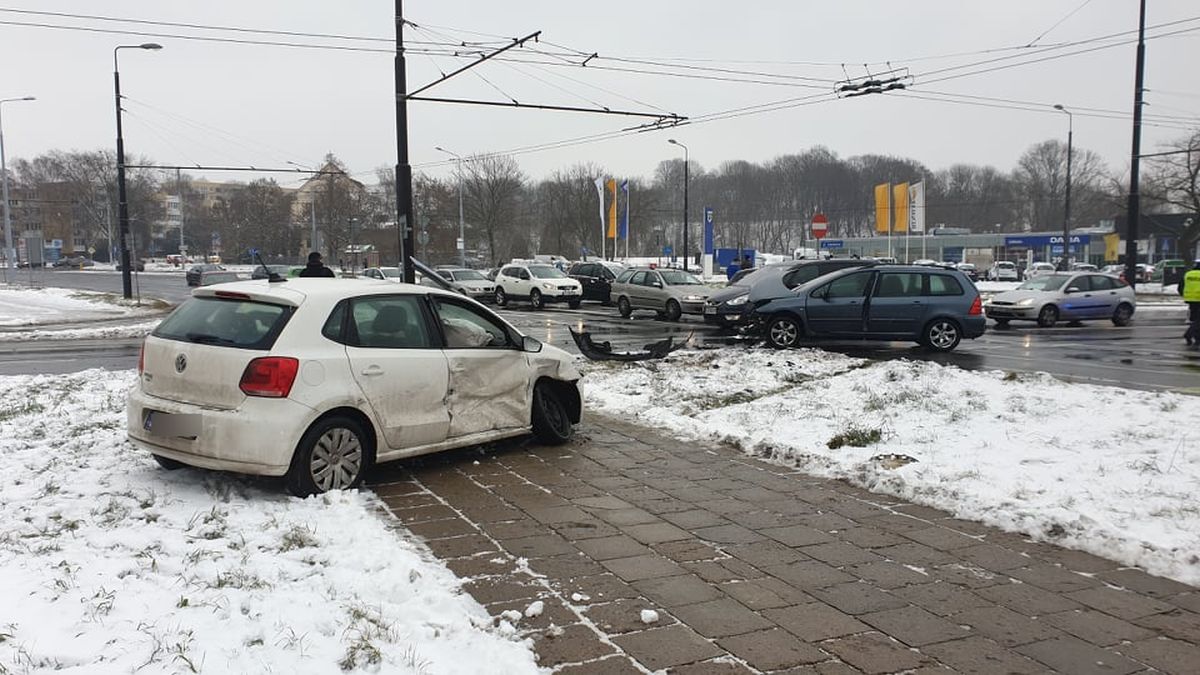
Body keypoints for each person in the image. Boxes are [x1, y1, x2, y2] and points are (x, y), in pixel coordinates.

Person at [1180, 259, 1200, 346]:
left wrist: (1185, 295)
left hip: (1191, 300)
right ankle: (1188, 335)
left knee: (1195, 319)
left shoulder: (1188, 274)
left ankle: (1197, 339)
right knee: (1198, 321)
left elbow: (1180, 287)